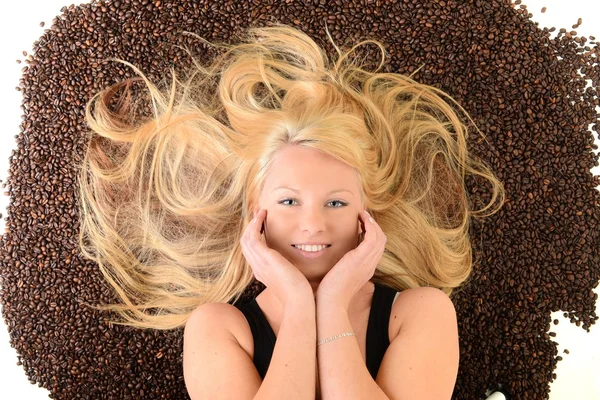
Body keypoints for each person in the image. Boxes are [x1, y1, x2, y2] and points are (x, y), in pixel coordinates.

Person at [75, 21, 505, 399]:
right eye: (288, 201)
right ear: (255, 211)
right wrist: (301, 305)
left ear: (365, 213)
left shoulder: (422, 312)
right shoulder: (217, 328)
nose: (313, 223)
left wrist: (332, 303)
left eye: (335, 202)